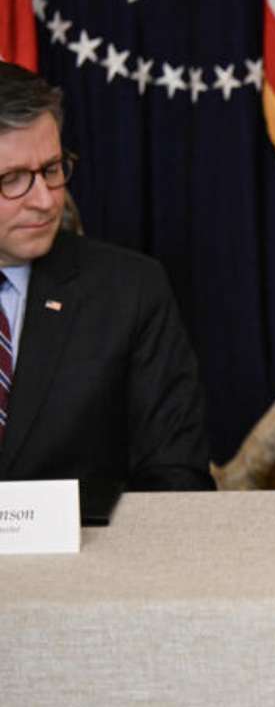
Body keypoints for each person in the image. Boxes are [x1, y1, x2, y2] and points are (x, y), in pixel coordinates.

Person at [0, 62, 212, 490]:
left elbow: (177, 479)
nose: (45, 201)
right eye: (13, 180)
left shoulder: (130, 291)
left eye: (51, 170)